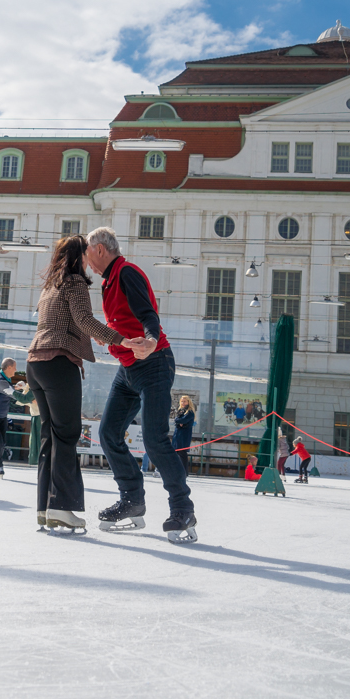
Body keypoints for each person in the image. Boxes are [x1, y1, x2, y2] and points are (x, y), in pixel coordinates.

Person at [26, 234, 146, 531]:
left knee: (50, 435)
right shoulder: (75, 282)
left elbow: (66, 321)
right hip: (59, 363)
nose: (89, 260)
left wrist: (90, 334)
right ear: (78, 257)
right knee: (67, 434)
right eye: (86, 254)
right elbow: (83, 319)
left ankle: (44, 507)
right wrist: (121, 340)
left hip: (35, 362)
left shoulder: (50, 286)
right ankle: (62, 508)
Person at [85, 227, 196, 542]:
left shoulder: (126, 273)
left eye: (88, 254)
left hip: (154, 363)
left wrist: (150, 339)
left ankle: (182, 508)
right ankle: (132, 500)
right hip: (128, 368)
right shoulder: (108, 281)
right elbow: (123, 319)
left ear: (100, 249)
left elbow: (148, 313)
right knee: (108, 433)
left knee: (154, 439)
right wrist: (108, 335)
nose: (87, 262)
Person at [173, 395, 196, 474]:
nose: (183, 403)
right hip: (177, 434)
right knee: (176, 453)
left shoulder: (190, 412)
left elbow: (183, 420)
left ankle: (184, 472)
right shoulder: (180, 411)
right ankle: (178, 471)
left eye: (184, 401)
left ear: (188, 402)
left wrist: (179, 421)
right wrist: (178, 421)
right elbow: (176, 420)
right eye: (182, 401)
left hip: (184, 435)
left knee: (182, 453)